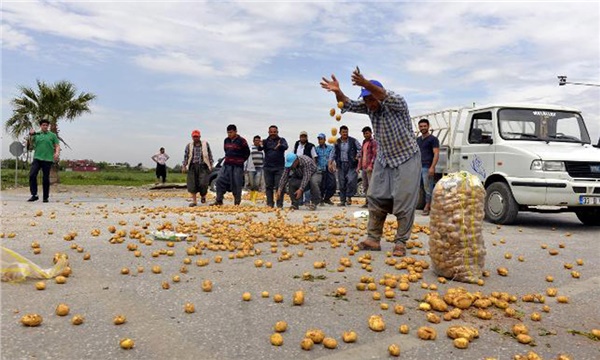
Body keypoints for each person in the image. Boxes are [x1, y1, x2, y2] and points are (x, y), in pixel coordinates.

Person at [321, 70, 421, 257]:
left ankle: (400, 242)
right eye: (366, 101)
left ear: (378, 96)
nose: (369, 104)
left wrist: (365, 83)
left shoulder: (397, 103)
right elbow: (348, 103)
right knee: (375, 196)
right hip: (385, 158)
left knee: (404, 201)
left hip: (407, 156)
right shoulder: (369, 106)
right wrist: (337, 91)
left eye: (371, 99)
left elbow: (383, 95)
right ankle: (373, 239)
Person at [213, 124, 250, 206]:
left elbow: (247, 153)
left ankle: (237, 202)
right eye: (228, 132)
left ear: (236, 131)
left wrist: (241, 160)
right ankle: (219, 200)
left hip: (237, 166)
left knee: (237, 184)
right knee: (219, 180)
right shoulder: (226, 140)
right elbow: (226, 151)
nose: (229, 134)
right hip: (227, 165)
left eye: (231, 132)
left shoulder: (242, 140)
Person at [27, 118, 60, 203]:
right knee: (32, 175)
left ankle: (45, 197)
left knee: (45, 179)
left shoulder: (52, 135)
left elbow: (57, 145)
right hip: (37, 158)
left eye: (46, 125)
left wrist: (56, 153)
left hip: (48, 159)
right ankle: (34, 195)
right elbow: (30, 145)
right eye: (43, 125)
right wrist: (30, 135)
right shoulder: (36, 134)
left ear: (48, 126)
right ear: (40, 126)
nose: (45, 126)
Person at [259, 125, 288, 208]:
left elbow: (286, 147)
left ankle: (279, 204)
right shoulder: (265, 141)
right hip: (268, 167)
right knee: (268, 187)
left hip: (279, 167)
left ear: (277, 132)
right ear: (268, 132)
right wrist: (260, 145)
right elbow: (259, 148)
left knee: (279, 186)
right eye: (271, 132)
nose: (273, 133)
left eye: (274, 132)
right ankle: (270, 204)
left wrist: (280, 146)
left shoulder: (281, 140)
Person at [332, 125, 361, 206]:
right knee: (342, 182)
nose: (345, 133)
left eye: (346, 132)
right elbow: (333, 152)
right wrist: (330, 162)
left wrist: (357, 156)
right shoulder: (337, 142)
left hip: (351, 164)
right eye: (343, 132)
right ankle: (342, 200)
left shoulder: (353, 141)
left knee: (351, 180)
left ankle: (349, 196)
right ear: (340, 133)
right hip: (341, 164)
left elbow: (360, 149)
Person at [182, 130, 213, 207]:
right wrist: (184, 165)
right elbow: (186, 156)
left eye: (197, 136)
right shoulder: (189, 145)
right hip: (192, 166)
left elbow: (209, 154)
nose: (195, 138)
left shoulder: (205, 144)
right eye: (194, 136)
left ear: (200, 137)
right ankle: (194, 201)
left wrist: (211, 164)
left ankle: (203, 196)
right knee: (192, 184)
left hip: (203, 166)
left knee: (203, 183)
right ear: (192, 137)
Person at [416, 119, 440, 216]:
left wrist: (432, 167)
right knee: (419, 187)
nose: (423, 128)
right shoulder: (417, 140)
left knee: (428, 188)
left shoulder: (433, 139)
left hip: (427, 167)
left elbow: (436, 153)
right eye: (421, 126)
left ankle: (427, 206)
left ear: (428, 126)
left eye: (424, 126)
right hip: (418, 167)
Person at [293, 131, 317, 205]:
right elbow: (294, 154)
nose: (303, 138)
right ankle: (299, 200)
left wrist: (313, 168)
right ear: (299, 137)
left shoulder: (311, 146)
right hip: (298, 167)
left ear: (307, 137)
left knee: (307, 183)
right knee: (299, 183)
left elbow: (314, 157)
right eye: (302, 136)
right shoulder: (297, 144)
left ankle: (307, 200)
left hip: (307, 166)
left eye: (304, 136)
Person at [358, 126, 378, 208]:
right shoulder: (364, 142)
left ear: (370, 133)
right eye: (364, 133)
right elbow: (361, 155)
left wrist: (371, 165)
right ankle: (367, 202)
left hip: (370, 168)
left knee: (371, 186)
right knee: (365, 186)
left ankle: (373, 203)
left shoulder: (373, 142)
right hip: (364, 167)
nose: (365, 135)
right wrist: (359, 166)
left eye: (367, 133)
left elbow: (374, 155)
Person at [315, 133, 336, 205]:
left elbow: (333, 157)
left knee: (332, 184)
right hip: (320, 169)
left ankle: (327, 198)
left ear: (325, 139)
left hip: (329, 168)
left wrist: (333, 165)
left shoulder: (330, 148)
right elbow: (315, 159)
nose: (320, 140)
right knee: (322, 185)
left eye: (321, 139)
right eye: (319, 139)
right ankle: (321, 199)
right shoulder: (316, 149)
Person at [244, 135, 264, 203]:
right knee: (252, 183)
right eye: (256, 140)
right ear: (253, 141)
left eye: (258, 140)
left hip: (259, 168)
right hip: (251, 168)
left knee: (257, 183)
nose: (257, 142)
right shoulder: (250, 148)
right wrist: (245, 168)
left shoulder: (262, 149)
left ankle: (254, 199)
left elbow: (264, 158)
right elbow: (246, 158)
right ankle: (252, 196)